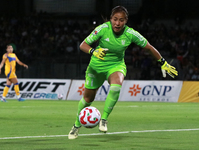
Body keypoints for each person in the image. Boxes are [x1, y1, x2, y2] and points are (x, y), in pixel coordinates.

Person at [68, 6, 178, 139]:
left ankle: (104, 119)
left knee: (116, 87)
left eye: (121, 20)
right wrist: (93, 51)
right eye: (115, 19)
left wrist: (163, 62)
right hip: (96, 67)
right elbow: (83, 45)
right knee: (87, 100)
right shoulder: (103, 29)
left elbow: (149, 47)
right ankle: (76, 126)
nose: (117, 23)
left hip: (116, 66)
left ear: (126, 21)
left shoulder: (130, 33)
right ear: (111, 19)